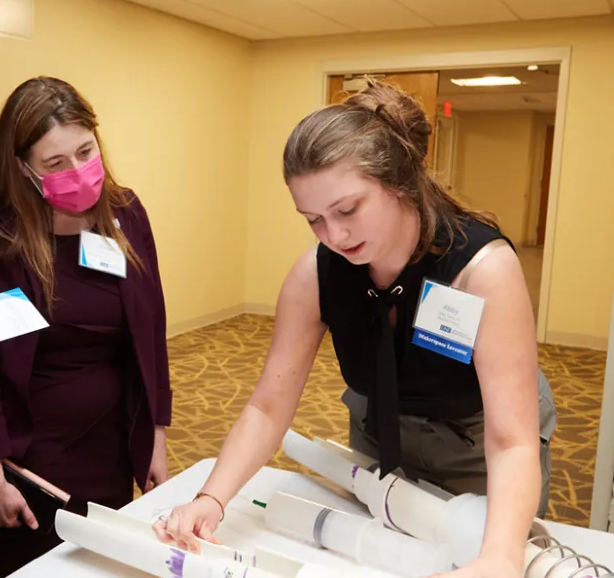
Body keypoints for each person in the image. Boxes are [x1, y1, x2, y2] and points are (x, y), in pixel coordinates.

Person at [153, 79, 556, 578]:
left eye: (347, 210)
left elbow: (511, 439)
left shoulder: (481, 269)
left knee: (486, 554)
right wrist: (211, 499)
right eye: (313, 220)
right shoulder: (315, 274)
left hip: (477, 442)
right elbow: (268, 405)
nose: (334, 235)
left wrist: (500, 557)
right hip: (379, 430)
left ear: (399, 183)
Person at [0, 76, 173, 578]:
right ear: (22, 167)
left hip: (108, 443)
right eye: (56, 163)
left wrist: (155, 432)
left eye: (85, 151)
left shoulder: (125, 214)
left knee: (101, 566)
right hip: (24, 456)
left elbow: (151, 327)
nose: (78, 171)